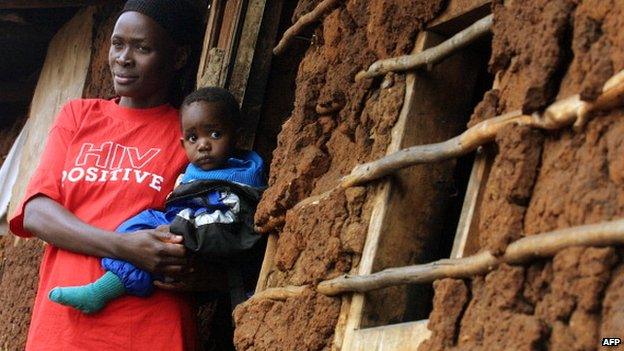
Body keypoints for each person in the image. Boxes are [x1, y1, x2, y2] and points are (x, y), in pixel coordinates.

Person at [8, 1, 210, 349]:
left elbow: (204, 231)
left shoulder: (188, 136)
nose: (123, 58)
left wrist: (191, 268)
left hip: (149, 331)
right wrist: (126, 246)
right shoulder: (79, 116)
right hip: (63, 330)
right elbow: (38, 212)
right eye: (117, 44)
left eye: (142, 48)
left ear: (177, 58)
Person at [47, 87, 266, 315]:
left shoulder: (242, 174)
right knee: (138, 226)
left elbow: (229, 222)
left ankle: (101, 291)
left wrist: (176, 230)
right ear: (183, 145)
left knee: (155, 246)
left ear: (237, 135)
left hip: (205, 235)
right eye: (193, 138)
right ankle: (111, 279)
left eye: (215, 135)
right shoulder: (193, 171)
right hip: (184, 224)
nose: (203, 145)